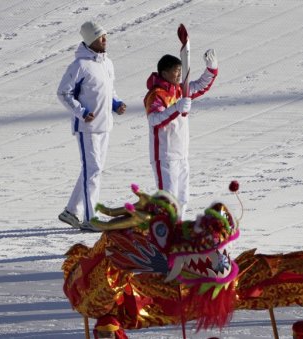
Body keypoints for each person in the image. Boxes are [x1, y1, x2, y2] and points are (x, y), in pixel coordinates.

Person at [56, 21, 127, 231]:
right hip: (86, 128)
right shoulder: (79, 66)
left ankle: (70, 211)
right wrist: (81, 112)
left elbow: (109, 90)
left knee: (92, 170)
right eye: (100, 37)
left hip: (105, 126)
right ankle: (90, 219)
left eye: (105, 35)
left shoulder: (107, 63)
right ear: (89, 40)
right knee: (93, 170)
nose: (105, 40)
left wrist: (116, 104)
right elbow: (63, 93)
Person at [144, 49, 218, 218]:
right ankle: (165, 235)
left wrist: (211, 69)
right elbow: (155, 120)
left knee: (183, 198)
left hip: (182, 153)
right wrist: (176, 108)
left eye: (180, 70)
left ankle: (177, 232)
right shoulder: (155, 95)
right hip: (165, 154)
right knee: (168, 201)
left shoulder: (180, 90)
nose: (179, 74)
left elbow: (200, 85)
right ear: (164, 73)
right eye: (175, 71)